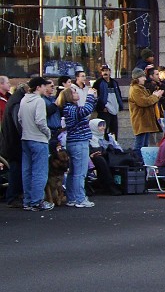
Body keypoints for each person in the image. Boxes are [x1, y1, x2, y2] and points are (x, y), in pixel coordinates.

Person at [19, 76, 55, 211]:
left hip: (26, 138)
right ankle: (37, 201)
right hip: (38, 139)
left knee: (27, 171)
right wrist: (47, 133)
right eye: (44, 85)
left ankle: (28, 200)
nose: (46, 87)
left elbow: (20, 119)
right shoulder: (39, 101)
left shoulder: (23, 100)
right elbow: (40, 121)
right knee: (40, 172)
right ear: (39, 87)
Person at [59, 83, 98, 208]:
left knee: (73, 172)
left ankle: (71, 197)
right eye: (74, 92)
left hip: (74, 142)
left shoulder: (70, 108)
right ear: (69, 96)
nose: (77, 94)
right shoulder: (70, 108)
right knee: (80, 173)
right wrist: (90, 96)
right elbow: (85, 110)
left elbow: (87, 109)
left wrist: (94, 99)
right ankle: (80, 198)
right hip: (79, 142)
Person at [0, 82, 27, 206]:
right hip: (13, 142)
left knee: (16, 169)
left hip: (10, 140)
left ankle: (13, 195)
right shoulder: (16, 102)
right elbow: (18, 123)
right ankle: (12, 196)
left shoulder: (12, 99)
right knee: (15, 169)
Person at [128, 67, 163, 150]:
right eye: (142, 77)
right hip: (140, 121)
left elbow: (149, 100)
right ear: (137, 78)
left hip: (145, 121)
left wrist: (155, 96)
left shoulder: (141, 88)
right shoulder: (135, 89)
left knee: (144, 146)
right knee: (139, 145)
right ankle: (137, 161)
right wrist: (155, 96)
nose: (144, 78)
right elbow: (144, 102)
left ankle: (142, 161)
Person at [87, 118, 122, 196]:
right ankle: (111, 186)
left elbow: (118, 147)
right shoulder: (90, 137)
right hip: (93, 158)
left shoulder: (108, 136)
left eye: (104, 125)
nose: (103, 127)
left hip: (108, 156)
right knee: (100, 160)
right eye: (100, 126)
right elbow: (94, 151)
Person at [93, 63, 124, 140]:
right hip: (104, 111)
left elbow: (118, 95)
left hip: (114, 110)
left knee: (114, 131)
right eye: (103, 71)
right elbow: (94, 97)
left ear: (110, 72)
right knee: (103, 131)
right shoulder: (98, 83)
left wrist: (119, 106)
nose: (105, 72)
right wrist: (101, 107)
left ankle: (114, 147)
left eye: (106, 70)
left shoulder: (114, 83)